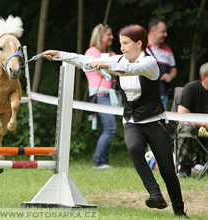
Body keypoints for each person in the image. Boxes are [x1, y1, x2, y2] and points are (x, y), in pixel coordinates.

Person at [42, 24, 188, 218]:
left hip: (155, 121)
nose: (122, 48)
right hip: (132, 120)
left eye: (126, 43)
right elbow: (86, 59)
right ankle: (155, 193)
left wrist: (104, 65)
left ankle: (179, 210)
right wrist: (59, 54)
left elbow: (129, 69)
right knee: (134, 148)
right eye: (120, 43)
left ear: (139, 43)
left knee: (168, 170)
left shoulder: (150, 63)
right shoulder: (118, 59)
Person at [85, 24, 116, 169]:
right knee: (110, 128)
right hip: (100, 94)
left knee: (108, 129)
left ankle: (103, 161)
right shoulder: (91, 52)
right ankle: (98, 162)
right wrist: (112, 68)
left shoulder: (112, 54)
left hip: (110, 95)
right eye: (108, 34)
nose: (112, 37)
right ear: (100, 36)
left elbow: (119, 69)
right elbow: (100, 71)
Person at [177, 62, 208, 178]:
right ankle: (184, 169)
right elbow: (181, 117)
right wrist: (204, 123)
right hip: (199, 131)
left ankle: (203, 162)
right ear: (203, 78)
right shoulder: (191, 89)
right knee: (186, 127)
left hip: (206, 132)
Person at [146, 18, 177, 110]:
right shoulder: (140, 47)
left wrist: (170, 76)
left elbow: (173, 69)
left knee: (162, 122)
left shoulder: (167, 49)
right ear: (153, 31)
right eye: (163, 32)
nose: (166, 34)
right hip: (144, 95)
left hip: (163, 93)